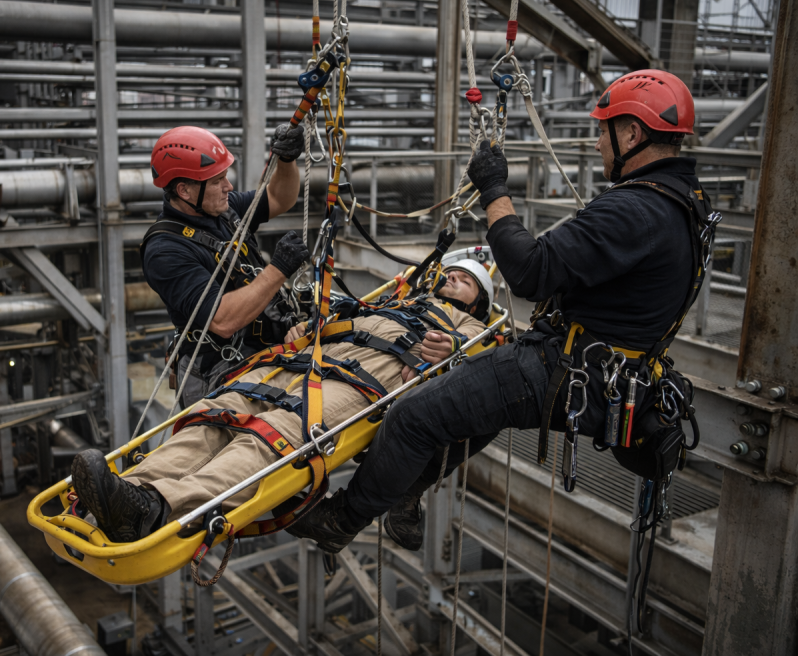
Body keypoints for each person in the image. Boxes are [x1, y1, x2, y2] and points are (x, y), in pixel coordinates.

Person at [287, 68, 716, 553]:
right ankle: (405, 491)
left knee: (411, 418)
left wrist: (494, 191)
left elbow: (531, 271)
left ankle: (342, 519)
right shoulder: (687, 203)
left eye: (603, 130)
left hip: (568, 366)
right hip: (610, 371)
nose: (597, 143)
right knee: (475, 404)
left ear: (632, 133)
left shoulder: (634, 209)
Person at [69, 260, 494, 544]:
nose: (452, 278)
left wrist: (453, 350)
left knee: (267, 441)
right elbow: (337, 318)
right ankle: (127, 492)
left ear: (478, 302)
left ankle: (157, 509)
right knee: (214, 418)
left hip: (353, 386)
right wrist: (309, 330)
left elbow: (484, 375)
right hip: (302, 364)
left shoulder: (472, 328)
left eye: (465, 280)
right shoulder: (393, 301)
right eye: (450, 272)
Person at [142, 125, 310, 407]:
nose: (228, 186)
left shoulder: (222, 209)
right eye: (218, 180)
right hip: (219, 373)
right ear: (184, 190)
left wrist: (287, 160)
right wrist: (279, 268)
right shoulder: (165, 250)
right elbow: (222, 321)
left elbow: (280, 197)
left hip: (261, 353)